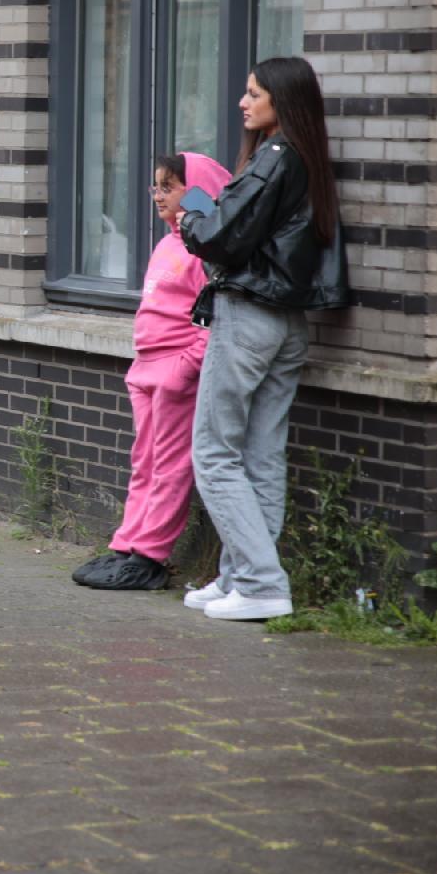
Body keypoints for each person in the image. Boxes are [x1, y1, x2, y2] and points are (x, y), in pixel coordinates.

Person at [177, 55, 349, 622]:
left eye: (254, 94)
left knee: (215, 451)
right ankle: (240, 578)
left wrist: (189, 218)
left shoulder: (275, 156)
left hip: (250, 316)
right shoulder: (307, 159)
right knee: (260, 454)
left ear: (282, 100)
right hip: (288, 323)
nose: (243, 103)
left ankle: (259, 582)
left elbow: (224, 236)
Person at [73, 150, 231, 591]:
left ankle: (150, 556)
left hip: (175, 372)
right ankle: (127, 543)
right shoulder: (166, 243)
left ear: (198, 191)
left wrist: (187, 365)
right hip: (145, 369)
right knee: (144, 461)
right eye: (155, 186)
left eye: (169, 186)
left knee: (169, 465)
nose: (158, 195)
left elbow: (210, 315)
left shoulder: (206, 251)